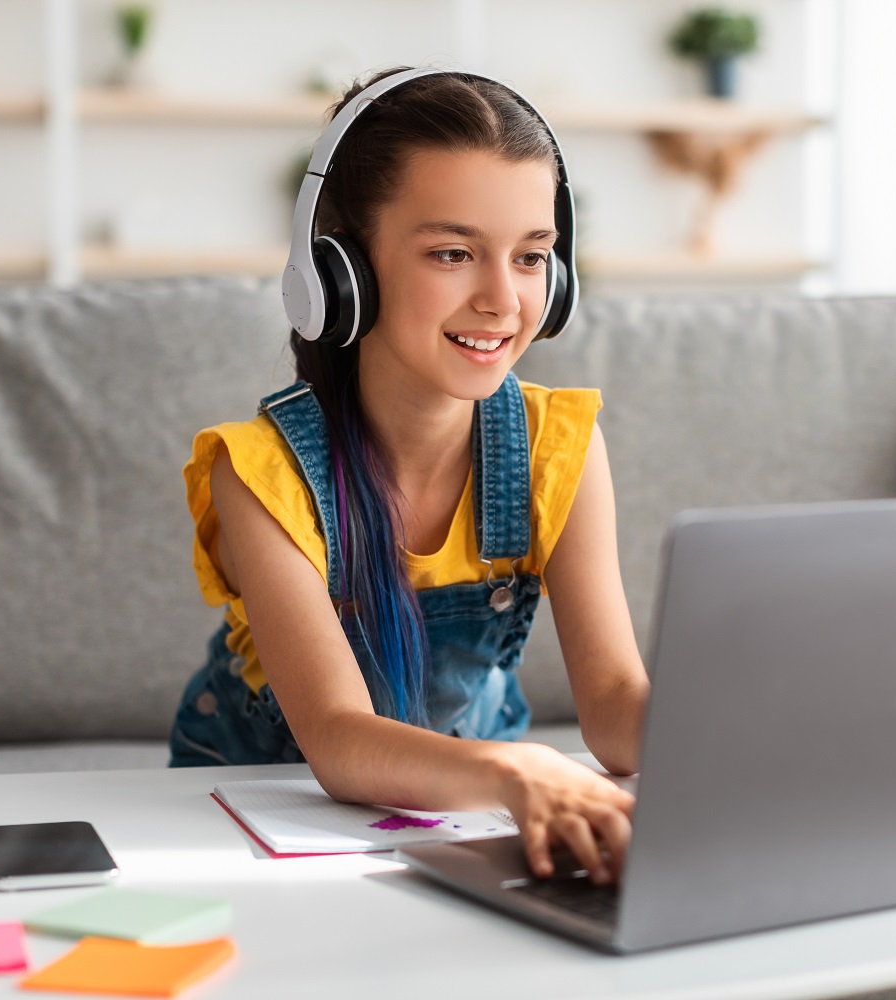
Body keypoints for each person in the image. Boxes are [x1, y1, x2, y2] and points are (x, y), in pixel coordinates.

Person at [169, 67, 651, 887]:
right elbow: (338, 734)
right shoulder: (260, 471)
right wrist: (516, 769)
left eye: (532, 256)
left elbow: (611, 703)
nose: (504, 299)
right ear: (341, 273)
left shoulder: (557, 446)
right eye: (454, 253)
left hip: (467, 808)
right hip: (266, 813)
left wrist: (744, 739)